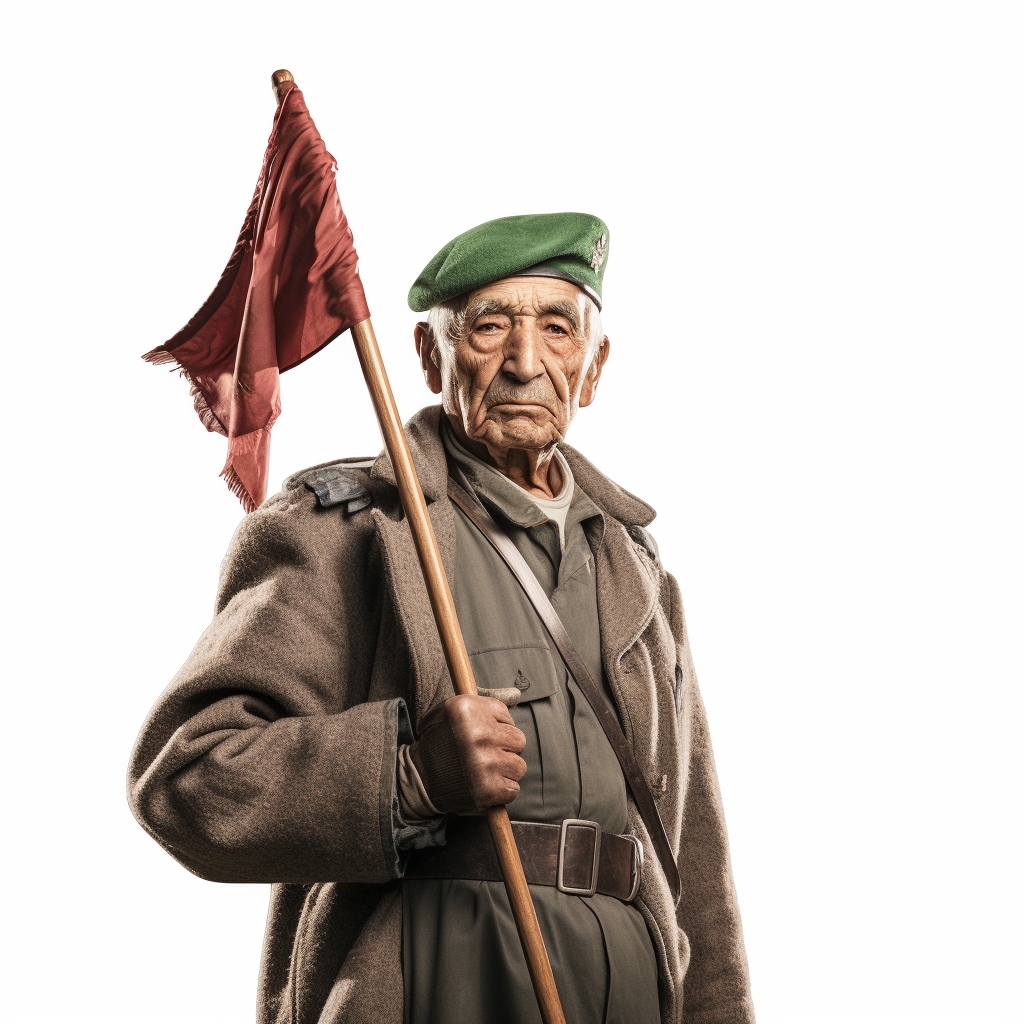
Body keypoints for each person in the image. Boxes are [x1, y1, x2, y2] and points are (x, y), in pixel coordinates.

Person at [128, 212, 755, 1024]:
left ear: (594, 368)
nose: (526, 362)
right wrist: (407, 778)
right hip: (433, 984)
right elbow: (188, 777)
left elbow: (692, 865)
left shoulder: (638, 569)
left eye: (557, 328)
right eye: (490, 327)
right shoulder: (345, 532)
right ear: (430, 357)